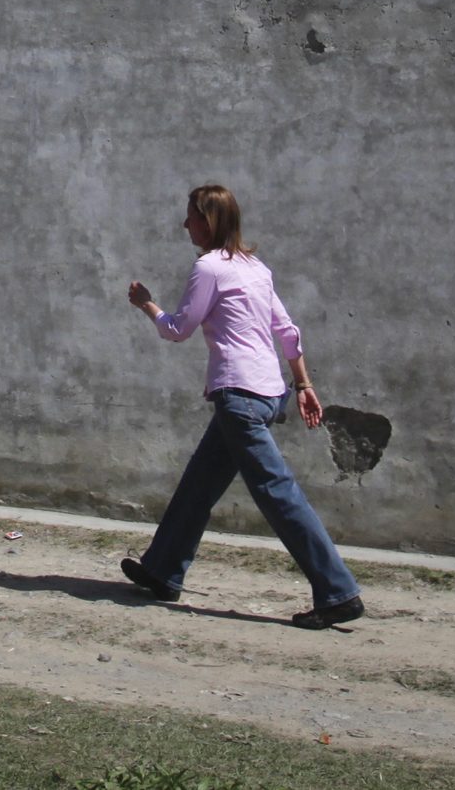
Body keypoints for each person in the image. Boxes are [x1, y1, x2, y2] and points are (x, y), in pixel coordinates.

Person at [120, 183, 366, 629]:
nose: (185, 224)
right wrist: (304, 383)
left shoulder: (209, 268)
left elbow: (177, 330)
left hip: (239, 397)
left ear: (208, 221)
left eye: (190, 216)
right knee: (200, 484)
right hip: (268, 393)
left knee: (279, 493)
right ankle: (161, 570)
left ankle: (337, 592)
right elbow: (286, 330)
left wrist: (146, 305)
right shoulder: (256, 268)